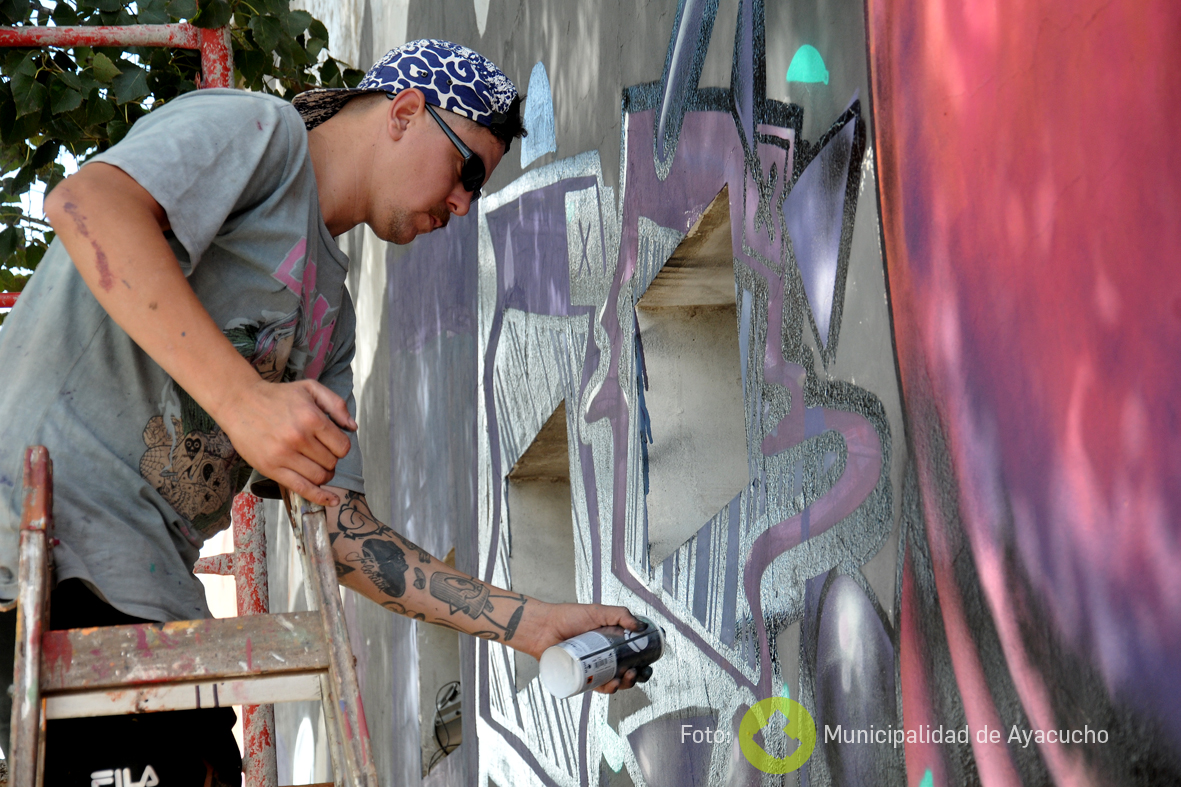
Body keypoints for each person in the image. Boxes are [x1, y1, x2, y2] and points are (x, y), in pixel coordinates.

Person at [0, 39, 640, 786]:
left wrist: (529, 623)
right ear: (405, 112)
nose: (464, 203)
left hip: (143, 609)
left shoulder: (328, 318)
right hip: (31, 555)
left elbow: (342, 530)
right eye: (467, 170)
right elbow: (86, 204)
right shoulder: (259, 133)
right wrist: (241, 400)